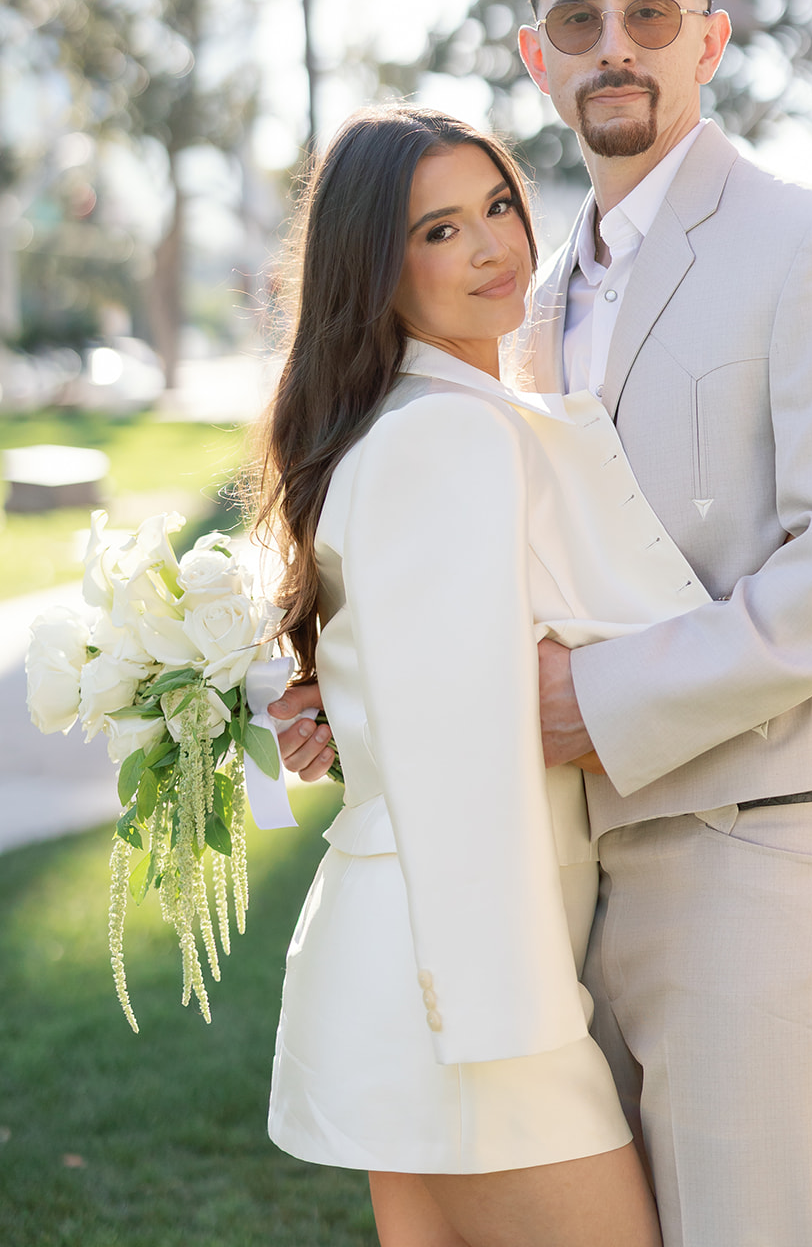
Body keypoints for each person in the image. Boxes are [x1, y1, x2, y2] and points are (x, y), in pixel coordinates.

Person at [274, 0, 812, 1246]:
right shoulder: (516, 303)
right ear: (536, 55)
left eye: (647, 12)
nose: (612, 45)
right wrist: (359, 699)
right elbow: (494, 582)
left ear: (707, 38)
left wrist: (595, 704)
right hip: (563, 879)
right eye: (575, 20)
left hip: (751, 855)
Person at [255, 104, 707, 1247]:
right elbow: (461, 762)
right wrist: (518, 1023)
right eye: (439, 232)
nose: (494, 247)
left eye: (497, 206)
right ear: (376, 267)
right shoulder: (446, 437)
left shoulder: (421, 416)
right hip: (467, 997)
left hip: (426, 970)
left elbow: (413, 695)